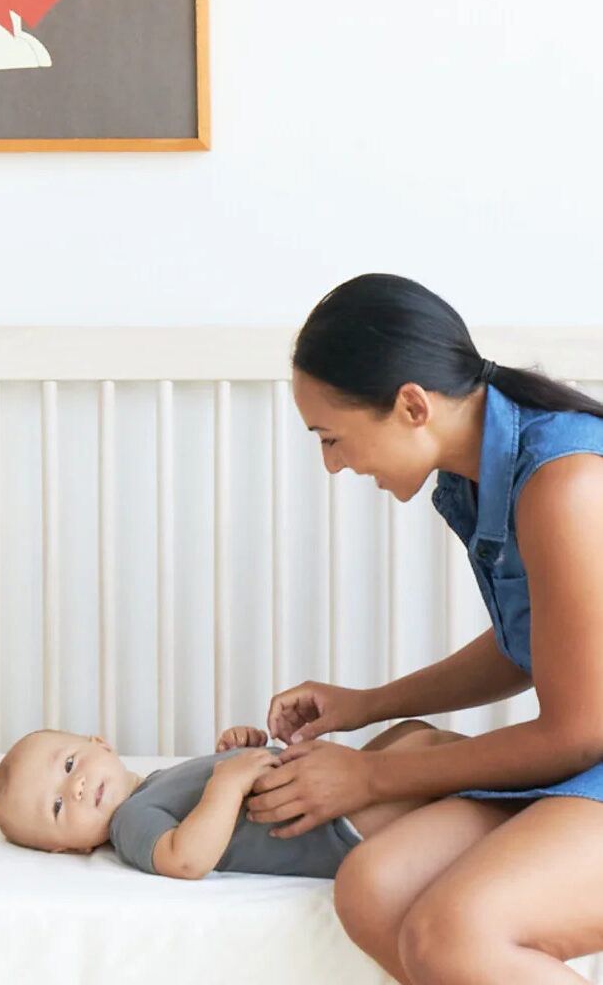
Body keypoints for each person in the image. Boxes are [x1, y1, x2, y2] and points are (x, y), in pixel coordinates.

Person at [245, 273, 603, 984]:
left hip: (589, 744)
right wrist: (370, 704)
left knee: (455, 934)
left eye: (331, 437)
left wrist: (375, 774)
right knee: (373, 888)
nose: (332, 463)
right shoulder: (475, 480)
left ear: (412, 404)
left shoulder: (565, 482)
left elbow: (579, 727)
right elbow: (536, 645)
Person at [0, 718, 469, 878]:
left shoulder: (154, 784)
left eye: (70, 765)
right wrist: (226, 783)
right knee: (426, 752)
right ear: (71, 847)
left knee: (413, 732)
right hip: (331, 831)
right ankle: (522, 793)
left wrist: (242, 752)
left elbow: (215, 804)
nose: (73, 789)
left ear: (101, 744)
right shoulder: (128, 824)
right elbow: (186, 857)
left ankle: (513, 785)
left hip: (325, 792)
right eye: (57, 808)